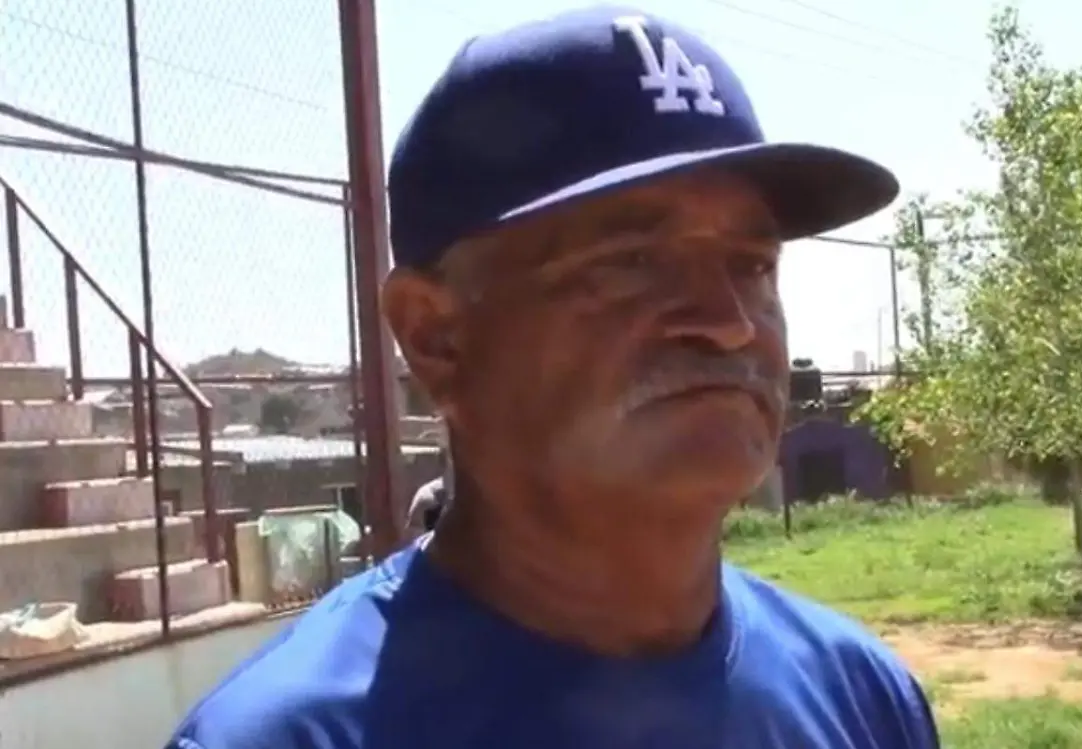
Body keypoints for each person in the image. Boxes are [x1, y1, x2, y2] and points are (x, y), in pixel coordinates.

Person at [166, 6, 939, 749]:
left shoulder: (864, 696)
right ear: (438, 339)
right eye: (631, 262)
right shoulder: (290, 737)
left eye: (754, 264)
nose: (729, 321)